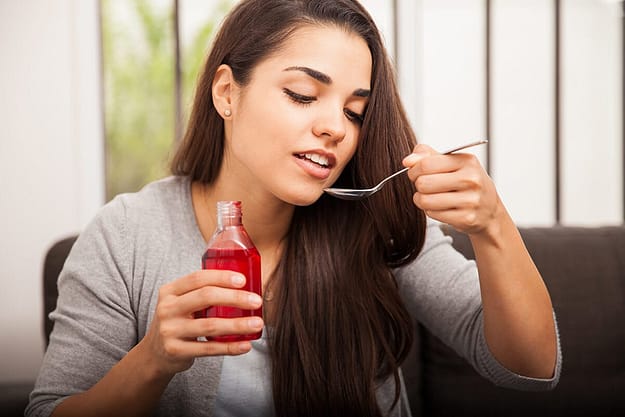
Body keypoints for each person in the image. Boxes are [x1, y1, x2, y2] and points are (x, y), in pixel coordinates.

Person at [26, 0, 561, 416]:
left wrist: (493, 227)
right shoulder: (127, 234)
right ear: (226, 93)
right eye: (304, 94)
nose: (335, 128)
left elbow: (530, 368)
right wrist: (153, 361)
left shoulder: (374, 222)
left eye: (355, 111)